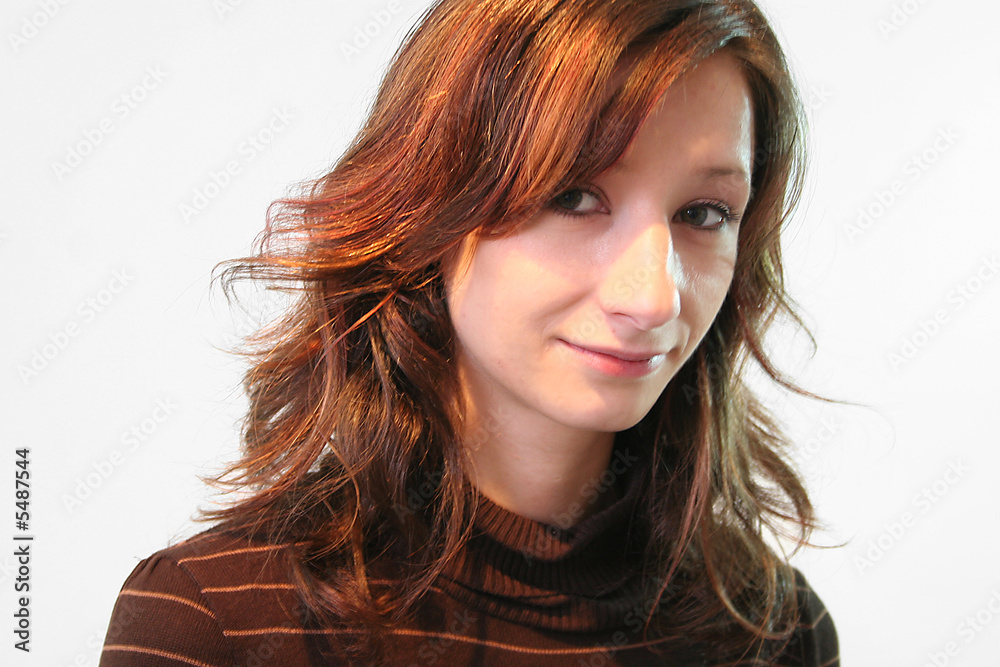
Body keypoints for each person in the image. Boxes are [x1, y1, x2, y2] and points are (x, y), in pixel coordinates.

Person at [100, 0, 839, 664]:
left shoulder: (775, 634)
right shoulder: (214, 622)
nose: (652, 297)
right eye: (574, 196)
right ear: (432, 208)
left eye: (704, 214)